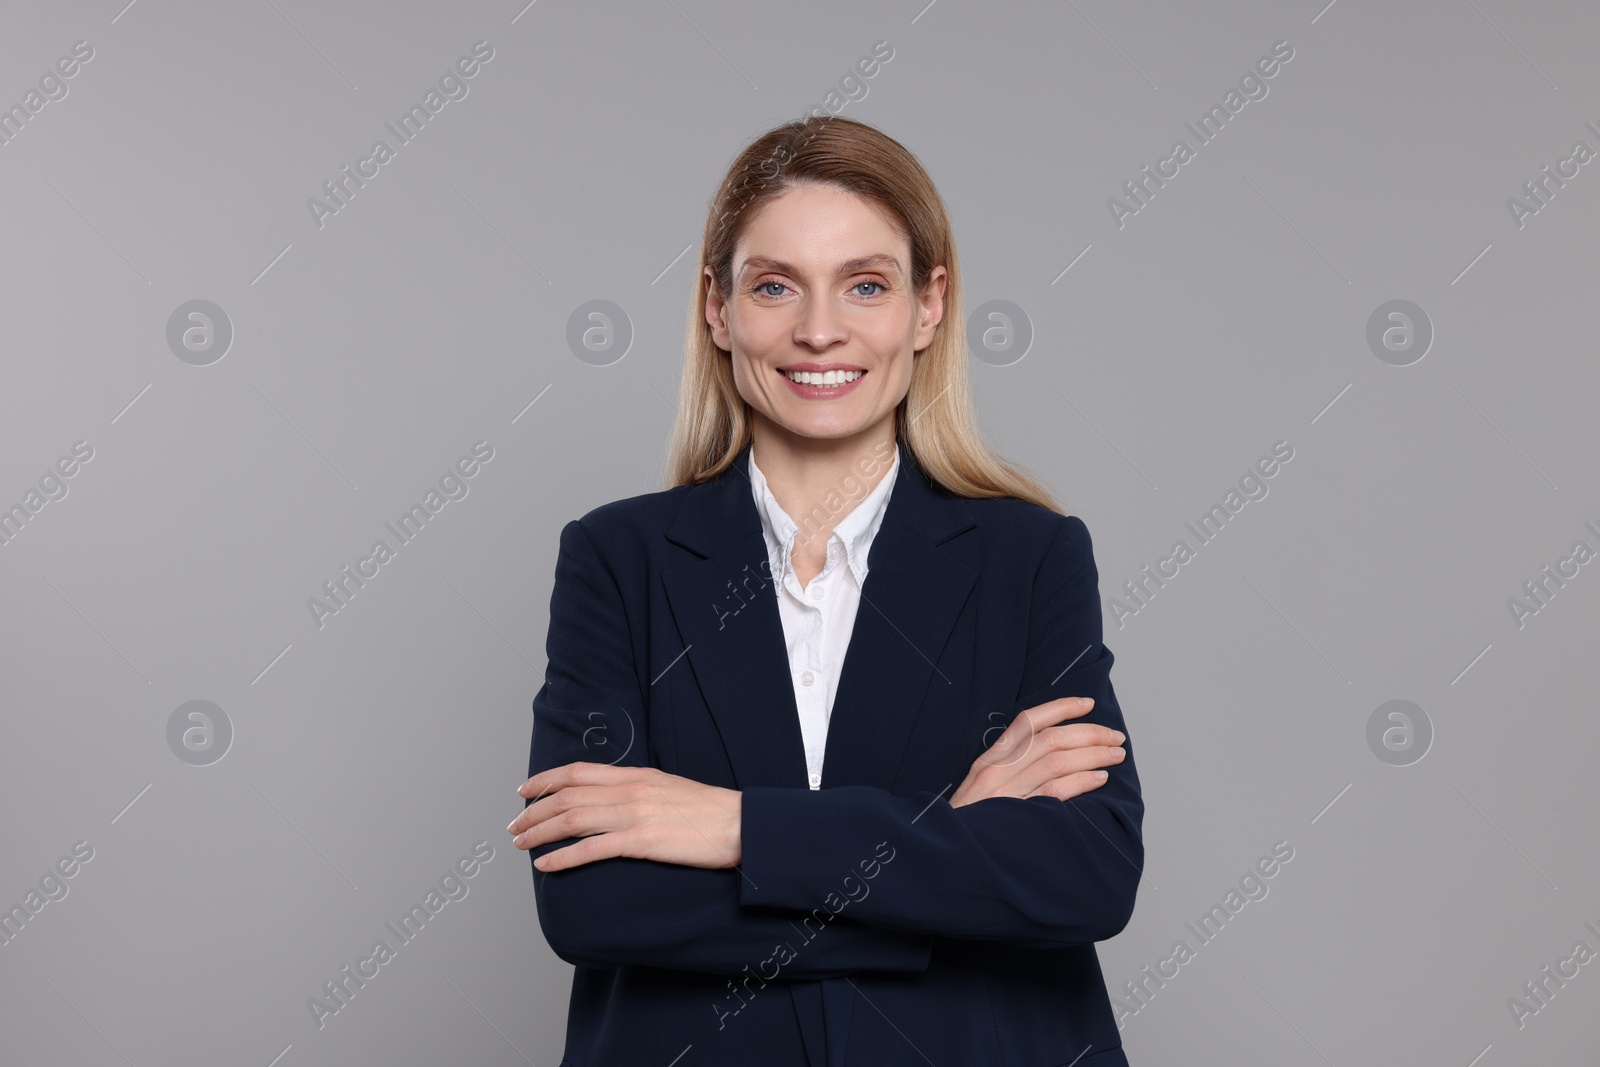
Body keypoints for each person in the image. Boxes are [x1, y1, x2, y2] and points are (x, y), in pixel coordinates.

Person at [509, 114, 1143, 1067]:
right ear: (718, 310)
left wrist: (732, 826)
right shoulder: (617, 558)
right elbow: (593, 901)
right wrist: (951, 853)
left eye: (866, 284)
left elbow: (1085, 875)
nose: (817, 329)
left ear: (928, 307)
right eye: (774, 286)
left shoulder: (1032, 556)